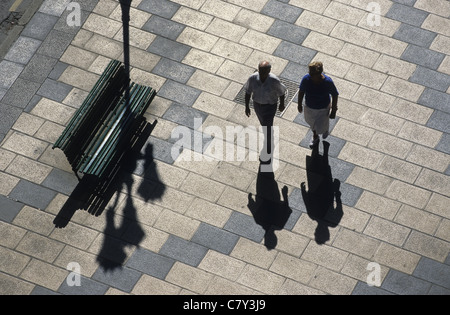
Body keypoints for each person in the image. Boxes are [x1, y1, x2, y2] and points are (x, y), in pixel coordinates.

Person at [245, 61, 286, 163]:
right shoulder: (253, 78)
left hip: (270, 106)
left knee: (267, 125)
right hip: (257, 105)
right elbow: (248, 92)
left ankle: (268, 146)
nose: (262, 73)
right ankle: (269, 134)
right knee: (264, 124)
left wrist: (281, 104)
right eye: (260, 70)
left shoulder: (274, 80)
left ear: (269, 71)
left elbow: (281, 92)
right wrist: (247, 106)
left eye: (264, 71)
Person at [298, 61, 339, 148]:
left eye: (312, 74)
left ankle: (322, 131)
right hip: (310, 106)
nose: (310, 75)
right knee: (312, 123)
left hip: (323, 107)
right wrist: (299, 104)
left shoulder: (327, 82)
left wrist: (334, 110)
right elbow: (301, 91)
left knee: (322, 122)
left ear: (319, 74)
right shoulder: (306, 79)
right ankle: (315, 135)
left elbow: (335, 94)